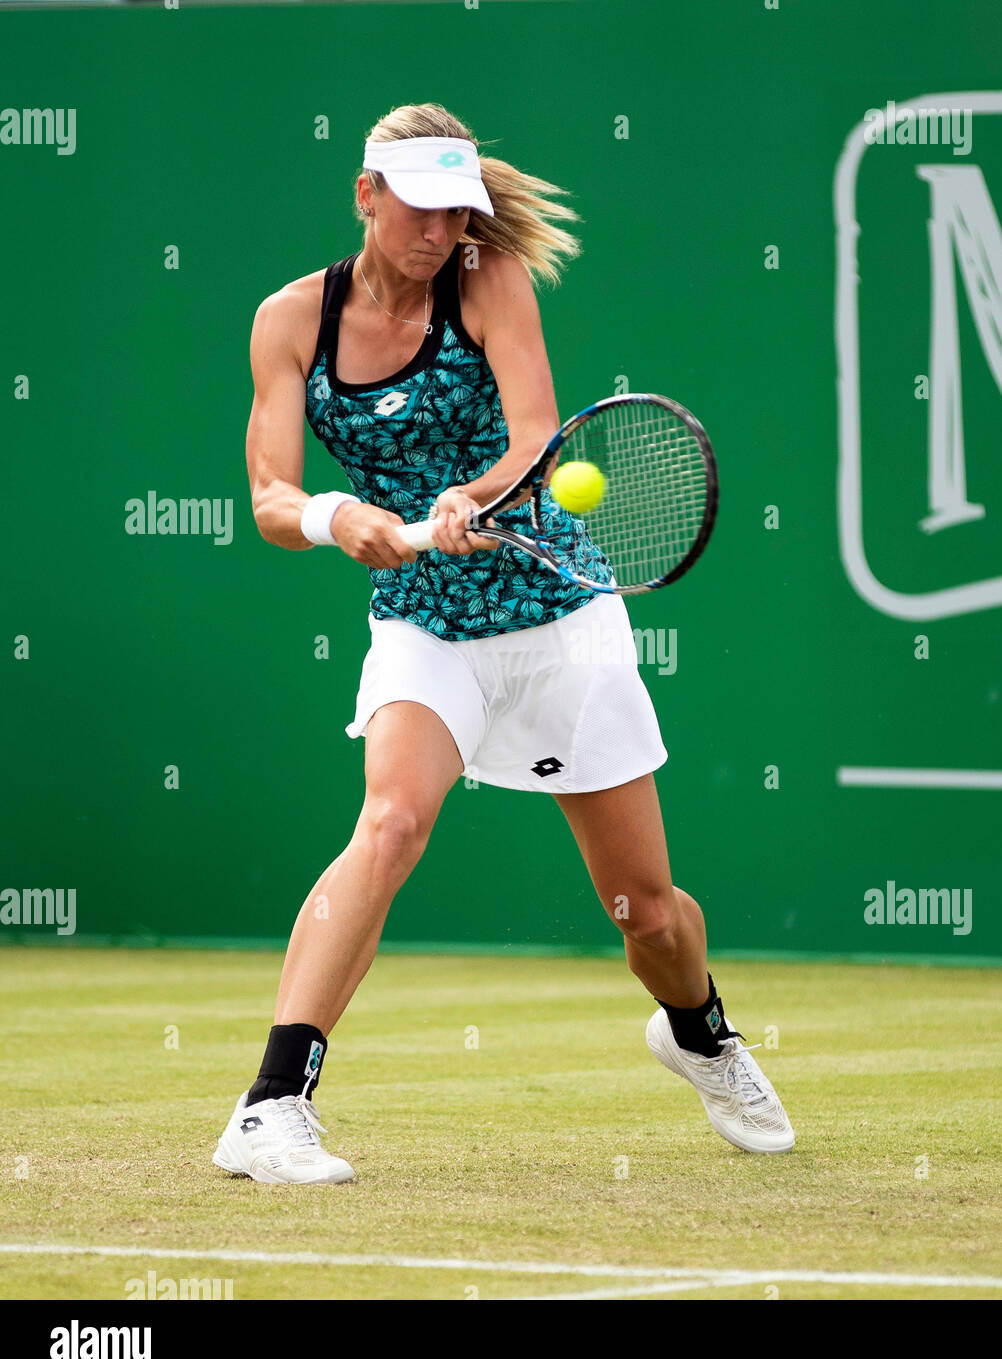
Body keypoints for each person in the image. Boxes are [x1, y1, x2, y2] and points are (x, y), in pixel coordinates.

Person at [213, 103, 793, 1184]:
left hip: (559, 619)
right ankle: (270, 1105)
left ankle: (699, 1030)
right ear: (367, 195)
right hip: (426, 628)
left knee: (649, 910)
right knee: (388, 823)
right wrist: (347, 519)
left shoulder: (488, 281)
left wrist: (466, 497)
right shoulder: (290, 321)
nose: (440, 233)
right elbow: (269, 494)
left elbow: (537, 438)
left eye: (457, 210)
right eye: (421, 209)